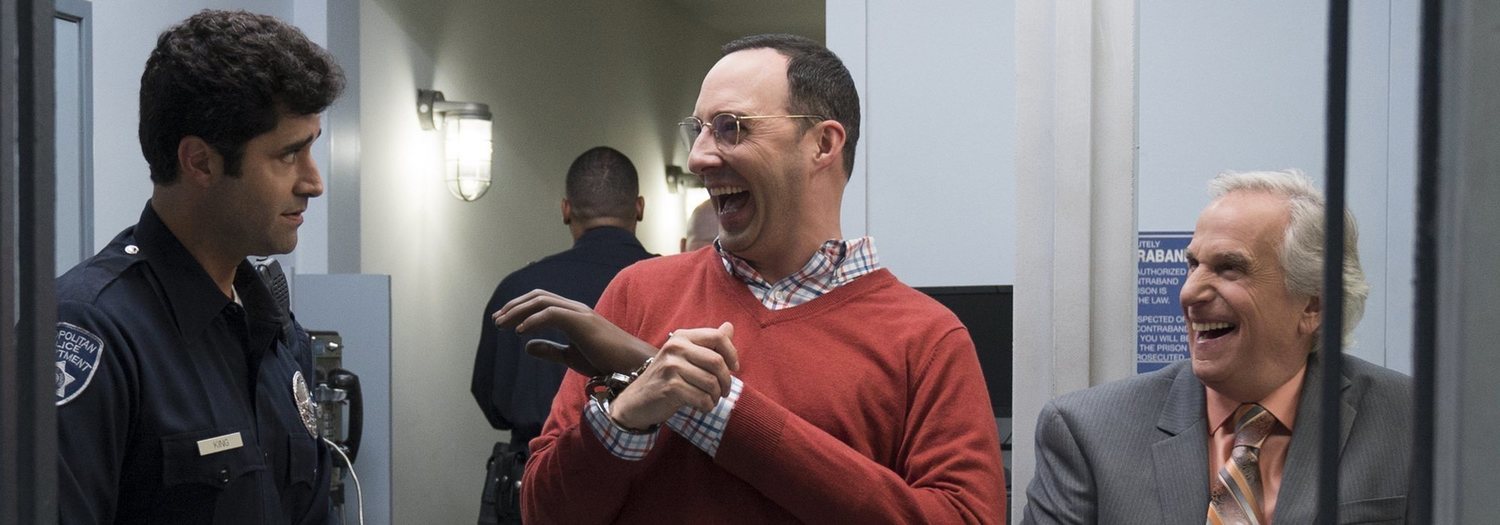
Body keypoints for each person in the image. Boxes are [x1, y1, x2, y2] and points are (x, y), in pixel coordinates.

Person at [495, 33, 1005, 523]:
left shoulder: (927, 339)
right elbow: (543, 513)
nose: (697, 158)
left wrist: (715, 409)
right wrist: (624, 416)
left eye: (731, 127)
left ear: (823, 144)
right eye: (697, 130)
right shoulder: (638, 293)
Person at [53, 10, 343, 524]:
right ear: (200, 162)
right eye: (289, 154)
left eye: (312, 148)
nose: (314, 182)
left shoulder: (274, 331)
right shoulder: (90, 331)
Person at [1023, 170, 1411, 524]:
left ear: (1313, 305)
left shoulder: (1412, 422)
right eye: (1193, 265)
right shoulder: (1088, 432)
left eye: (1230, 268)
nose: (1189, 292)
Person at [469, 146, 655, 524]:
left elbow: (491, 401)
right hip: (645, 486)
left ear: (566, 209)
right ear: (639, 207)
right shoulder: (672, 287)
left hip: (534, 488)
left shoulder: (519, 290)